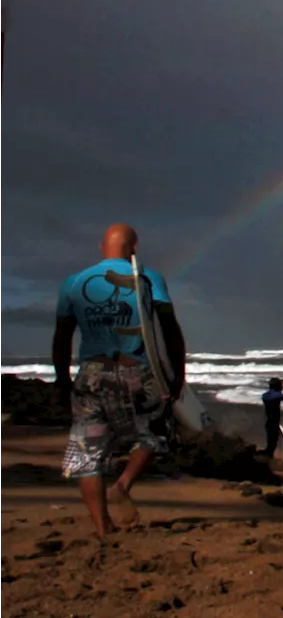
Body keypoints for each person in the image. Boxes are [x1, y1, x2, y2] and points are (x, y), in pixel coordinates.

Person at [51, 223, 187, 538]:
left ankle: (103, 527)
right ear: (134, 248)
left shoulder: (74, 282)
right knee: (159, 432)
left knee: (88, 453)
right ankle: (123, 485)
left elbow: (62, 339)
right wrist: (177, 375)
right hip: (137, 372)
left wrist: (62, 380)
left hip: (92, 376)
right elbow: (170, 330)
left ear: (102, 248)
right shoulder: (149, 279)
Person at [262, 377, 283, 458]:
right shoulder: (277, 395)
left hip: (268, 420)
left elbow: (274, 395)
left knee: (270, 442)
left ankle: (268, 456)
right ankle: (268, 458)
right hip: (274, 421)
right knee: (273, 444)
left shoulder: (264, 395)